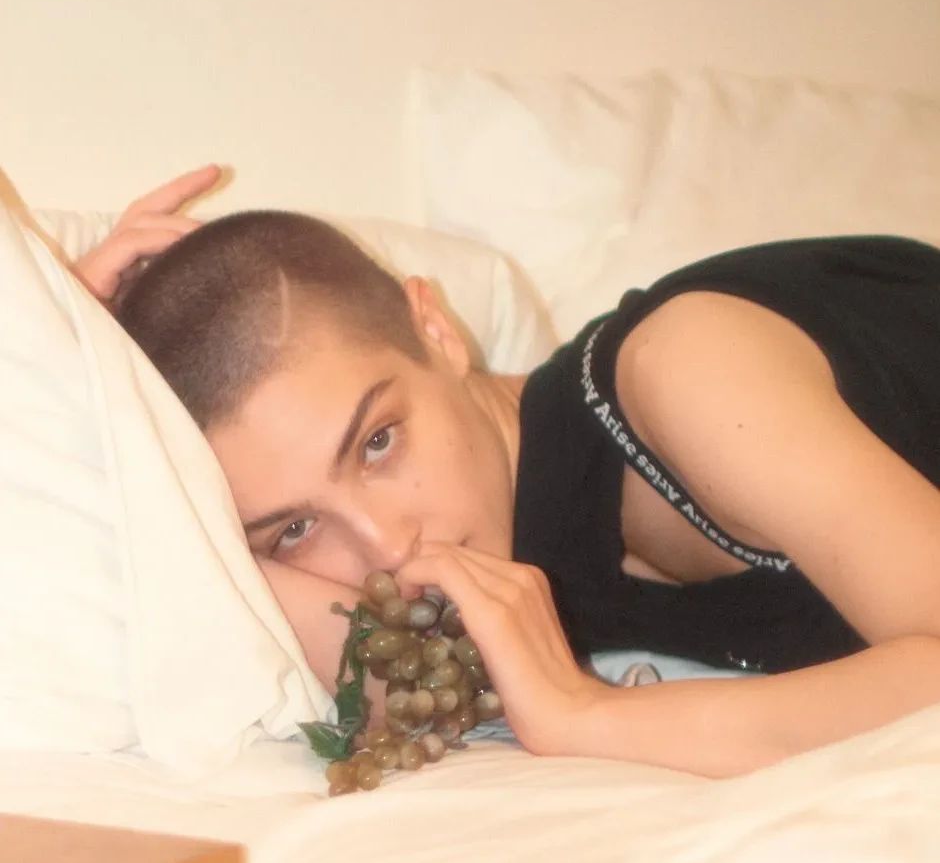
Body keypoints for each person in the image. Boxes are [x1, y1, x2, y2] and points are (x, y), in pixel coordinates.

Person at [76, 168, 940, 778]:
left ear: (437, 331)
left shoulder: (687, 370)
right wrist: (73, 377)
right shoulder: (509, 568)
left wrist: (593, 715)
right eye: (296, 528)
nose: (385, 547)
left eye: (378, 442)